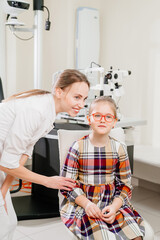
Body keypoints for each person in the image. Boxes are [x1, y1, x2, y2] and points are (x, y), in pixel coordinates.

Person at [0, 69, 90, 240]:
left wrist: (4, 190)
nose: (81, 103)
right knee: (4, 226)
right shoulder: (37, 110)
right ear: (59, 91)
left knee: (9, 222)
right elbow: (7, 163)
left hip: (3, 161)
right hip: (3, 162)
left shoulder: (48, 114)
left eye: (84, 99)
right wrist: (48, 181)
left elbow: (23, 151)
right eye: (77, 97)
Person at [60, 96, 145, 240]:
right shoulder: (77, 147)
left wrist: (114, 207)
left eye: (108, 116)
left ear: (114, 122)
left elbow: (125, 185)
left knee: (136, 236)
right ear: (89, 119)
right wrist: (87, 204)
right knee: (103, 237)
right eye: (97, 115)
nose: (102, 120)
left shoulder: (119, 148)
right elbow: (67, 185)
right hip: (84, 204)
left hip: (112, 203)